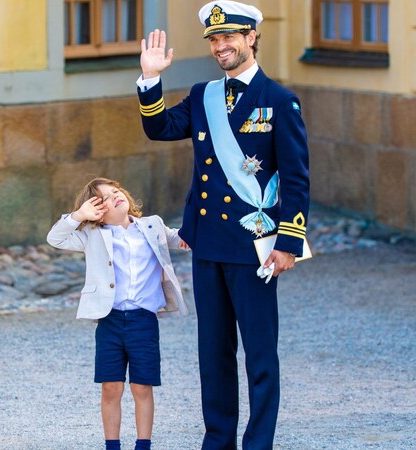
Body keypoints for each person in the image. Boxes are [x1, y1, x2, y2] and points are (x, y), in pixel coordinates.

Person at [137, 1, 311, 448]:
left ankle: (258, 443)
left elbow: (294, 177)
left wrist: (288, 242)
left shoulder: (279, 100)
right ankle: (218, 440)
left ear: (252, 37)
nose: (221, 46)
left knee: (259, 354)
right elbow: (159, 128)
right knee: (213, 354)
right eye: (214, 39)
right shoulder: (203, 96)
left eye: (229, 37)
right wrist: (151, 79)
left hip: (255, 246)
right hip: (209, 243)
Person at [47, 177, 190, 450]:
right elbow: (55, 238)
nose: (115, 197)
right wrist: (78, 216)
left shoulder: (152, 225)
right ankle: (112, 445)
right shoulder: (92, 236)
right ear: (97, 212)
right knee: (111, 387)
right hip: (110, 320)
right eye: (105, 199)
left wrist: (196, 231)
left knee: (142, 387)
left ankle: (143, 444)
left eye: (116, 191)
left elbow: (183, 237)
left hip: (143, 320)